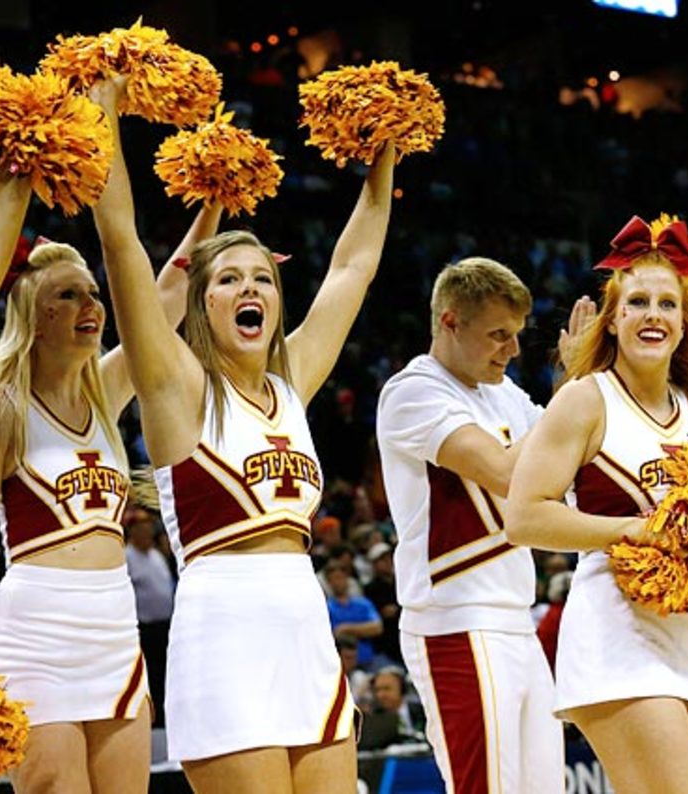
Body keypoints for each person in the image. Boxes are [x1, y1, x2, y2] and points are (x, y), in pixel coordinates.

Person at [89, 77, 396, 792]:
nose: (250, 289)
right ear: (200, 301)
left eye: (262, 278)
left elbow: (353, 267)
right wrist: (103, 116)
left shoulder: (293, 386)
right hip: (223, 633)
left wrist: (383, 154)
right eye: (228, 279)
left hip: (306, 631)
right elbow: (123, 247)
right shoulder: (175, 388)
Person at [0, 157, 217, 790]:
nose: (91, 303)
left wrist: (213, 202)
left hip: (115, 629)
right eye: (67, 294)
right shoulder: (7, 404)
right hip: (34, 632)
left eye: (92, 291)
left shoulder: (105, 392)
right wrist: (13, 185)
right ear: (33, 314)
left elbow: (165, 298)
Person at [506, 216, 688, 794]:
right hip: (615, 628)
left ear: (684, 322)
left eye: (666, 303)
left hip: (686, 631)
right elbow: (524, 516)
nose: (652, 314)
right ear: (614, 319)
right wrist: (635, 530)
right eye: (637, 302)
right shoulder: (586, 399)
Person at [376, 257, 572, 792]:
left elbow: (566, 466)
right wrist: (571, 394)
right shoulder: (412, 392)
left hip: (515, 617)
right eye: (498, 335)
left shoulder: (504, 393)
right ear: (449, 322)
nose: (512, 351)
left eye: (517, 336)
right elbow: (511, 472)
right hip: (456, 621)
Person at [124, 506, 177, 728]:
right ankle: (154, 722)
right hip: (143, 629)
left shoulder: (156, 554)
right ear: (132, 531)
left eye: (149, 528)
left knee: (167, 674)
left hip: (165, 625)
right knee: (151, 676)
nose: (147, 532)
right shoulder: (127, 557)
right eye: (142, 528)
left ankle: (167, 718)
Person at [325, 561, 384, 669]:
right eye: (333, 579)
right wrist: (362, 630)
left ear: (347, 579)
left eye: (340, 577)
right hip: (339, 664)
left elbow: (377, 627)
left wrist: (346, 629)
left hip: (368, 661)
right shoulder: (326, 608)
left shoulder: (363, 604)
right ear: (329, 583)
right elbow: (332, 635)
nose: (337, 582)